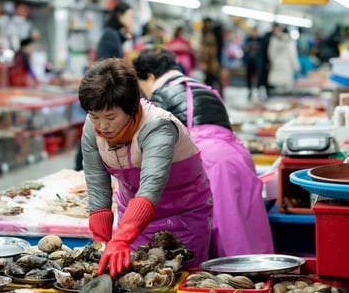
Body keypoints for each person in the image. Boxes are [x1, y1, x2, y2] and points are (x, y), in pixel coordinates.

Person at [133, 48, 274, 258]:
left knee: (224, 230)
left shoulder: (159, 97)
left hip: (210, 161)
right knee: (245, 223)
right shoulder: (202, 87)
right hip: (238, 156)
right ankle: (258, 281)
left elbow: (156, 150)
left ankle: (228, 284)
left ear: (151, 77)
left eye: (141, 83)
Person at [79, 58, 213, 278]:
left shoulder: (158, 126)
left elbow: (150, 186)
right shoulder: (92, 126)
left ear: (131, 108)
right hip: (132, 219)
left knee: (178, 278)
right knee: (134, 279)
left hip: (183, 217)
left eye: (111, 117)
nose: (102, 125)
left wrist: (121, 239)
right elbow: (97, 182)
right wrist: (102, 241)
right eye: (95, 116)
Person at [75, 1, 134, 171]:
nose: (132, 20)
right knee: (94, 134)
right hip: (103, 96)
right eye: (130, 16)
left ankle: (83, 169)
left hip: (106, 94)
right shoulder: (110, 35)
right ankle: (80, 171)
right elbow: (103, 65)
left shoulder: (116, 35)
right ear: (120, 16)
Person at [267, 26, 300, 93]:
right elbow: (292, 55)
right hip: (286, 66)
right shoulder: (289, 41)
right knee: (285, 88)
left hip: (276, 64)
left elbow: (270, 53)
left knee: (277, 87)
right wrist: (296, 66)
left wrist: (273, 62)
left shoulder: (274, 40)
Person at [200, 17, 224, 96]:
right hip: (207, 60)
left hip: (214, 60)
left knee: (216, 78)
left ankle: (219, 95)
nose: (208, 25)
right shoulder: (204, 33)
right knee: (208, 79)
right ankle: (209, 95)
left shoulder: (216, 33)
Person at [242, 28, 263, 99]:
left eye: (255, 32)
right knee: (249, 77)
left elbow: (262, 52)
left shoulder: (260, 40)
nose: (254, 34)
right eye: (253, 32)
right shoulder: (247, 40)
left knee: (258, 77)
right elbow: (244, 50)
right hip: (249, 61)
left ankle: (258, 90)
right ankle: (250, 91)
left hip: (257, 62)